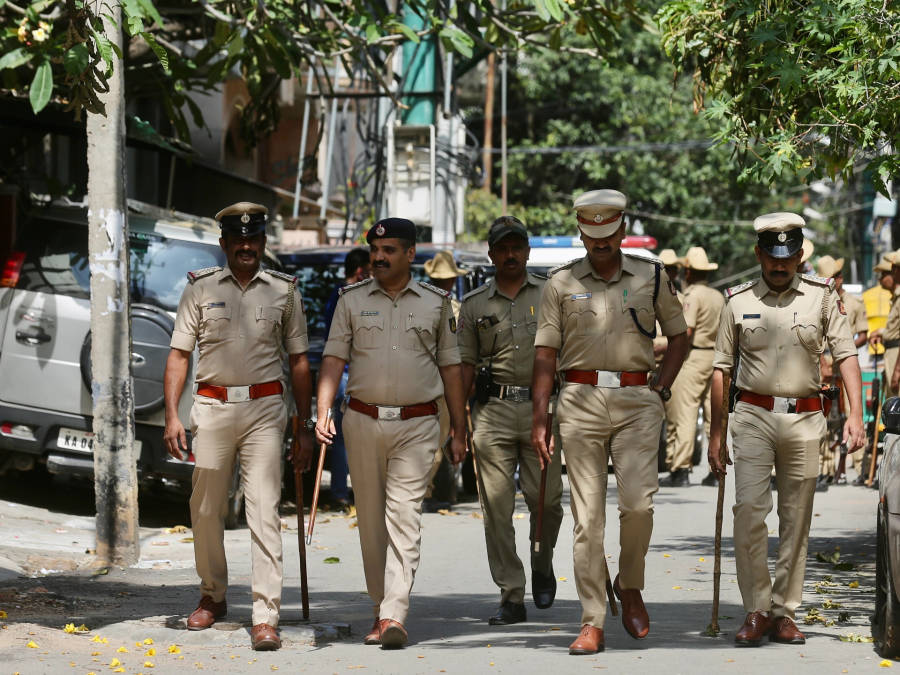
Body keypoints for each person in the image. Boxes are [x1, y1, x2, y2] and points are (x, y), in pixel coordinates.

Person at [532, 189, 689, 655]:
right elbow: (545, 354)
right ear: (581, 230)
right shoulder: (558, 283)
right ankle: (592, 619)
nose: (599, 243)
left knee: (638, 506)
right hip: (578, 400)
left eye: (608, 234)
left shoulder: (652, 275)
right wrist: (540, 415)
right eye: (591, 234)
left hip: (638, 400)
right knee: (588, 519)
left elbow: (680, 337)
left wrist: (661, 385)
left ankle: (631, 583)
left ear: (623, 229)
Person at [708, 212, 865, 647]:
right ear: (759, 254)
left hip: (806, 419)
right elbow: (721, 370)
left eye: (788, 256)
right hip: (753, 417)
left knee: (795, 519)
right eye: (772, 257)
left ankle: (784, 612)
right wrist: (716, 435)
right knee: (749, 513)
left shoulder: (823, 297)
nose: (780, 265)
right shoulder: (736, 301)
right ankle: (756, 609)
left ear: (799, 255)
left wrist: (855, 415)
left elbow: (847, 354)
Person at [163, 202, 314, 651]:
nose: (246, 246)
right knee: (205, 508)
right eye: (238, 239)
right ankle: (213, 594)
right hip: (210, 410)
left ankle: (266, 614)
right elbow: (179, 355)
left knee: (264, 509)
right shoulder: (198, 289)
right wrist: (172, 414)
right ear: (225, 244)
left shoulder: (284, 291)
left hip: (265, 412)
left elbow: (299, 361)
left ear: (264, 243)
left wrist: (303, 426)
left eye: (254, 239)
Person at [314, 217, 467, 649]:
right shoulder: (350, 300)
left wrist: (459, 427)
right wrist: (322, 411)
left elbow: (451, 369)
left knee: (405, 516)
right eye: (375, 250)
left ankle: (394, 612)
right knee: (371, 523)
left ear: (409, 255)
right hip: (361, 421)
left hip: (418, 424)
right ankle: (380, 604)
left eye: (389, 250)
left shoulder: (436, 304)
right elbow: (333, 358)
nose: (378, 257)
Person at [458, 216, 563, 626]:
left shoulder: (551, 294)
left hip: (546, 409)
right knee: (497, 509)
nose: (511, 254)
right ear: (491, 254)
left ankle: (542, 562)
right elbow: (464, 366)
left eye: (517, 246)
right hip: (495, 412)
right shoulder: (474, 305)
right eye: (503, 248)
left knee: (548, 502)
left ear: (528, 251)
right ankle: (512, 593)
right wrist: (456, 425)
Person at [662, 246, 725, 487]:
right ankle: (716, 469)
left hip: (694, 357)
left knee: (686, 412)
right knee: (714, 417)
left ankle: (681, 469)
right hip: (717, 358)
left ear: (687, 272)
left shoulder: (692, 297)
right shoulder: (718, 296)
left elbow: (686, 332)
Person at [322, 247, 371, 511]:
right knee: (355, 435)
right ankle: (354, 491)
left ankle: (342, 492)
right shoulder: (354, 297)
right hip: (350, 373)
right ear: (361, 271)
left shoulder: (335, 296)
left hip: (344, 373)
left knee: (343, 436)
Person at [423, 250, 467, 512]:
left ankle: (436, 491)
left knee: (439, 440)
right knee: (439, 440)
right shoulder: (456, 310)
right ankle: (427, 493)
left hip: (429, 382)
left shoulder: (419, 304)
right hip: (443, 384)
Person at [871, 250, 900, 398]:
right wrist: (882, 333)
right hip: (892, 355)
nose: (881, 279)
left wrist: (897, 372)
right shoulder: (896, 298)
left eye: (894, 268)